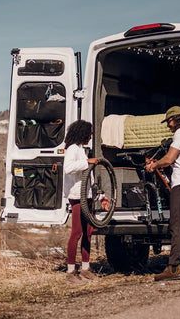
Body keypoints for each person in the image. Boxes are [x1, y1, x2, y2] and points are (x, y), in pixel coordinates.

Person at [145, 106, 180, 281]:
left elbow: (169, 159)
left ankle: (174, 267)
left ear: (176, 119)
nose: (169, 125)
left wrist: (154, 165)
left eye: (169, 121)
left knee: (175, 225)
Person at [64, 119, 109, 284]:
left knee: (88, 232)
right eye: (89, 133)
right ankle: (70, 272)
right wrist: (87, 162)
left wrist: (100, 196)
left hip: (87, 197)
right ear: (82, 132)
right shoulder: (73, 149)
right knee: (76, 232)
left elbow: (87, 180)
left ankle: (85, 268)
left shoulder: (82, 150)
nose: (91, 136)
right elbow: (68, 168)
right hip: (77, 197)